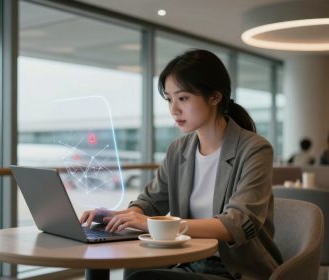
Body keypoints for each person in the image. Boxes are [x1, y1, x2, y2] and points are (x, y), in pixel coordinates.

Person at [80, 49, 282, 280]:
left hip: (236, 271)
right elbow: (150, 202)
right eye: (169, 99)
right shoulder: (179, 149)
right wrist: (119, 216)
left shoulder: (254, 149)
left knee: (143, 278)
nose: (173, 110)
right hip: (189, 262)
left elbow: (236, 224)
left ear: (215, 97)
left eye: (183, 98)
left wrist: (150, 224)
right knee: (136, 270)